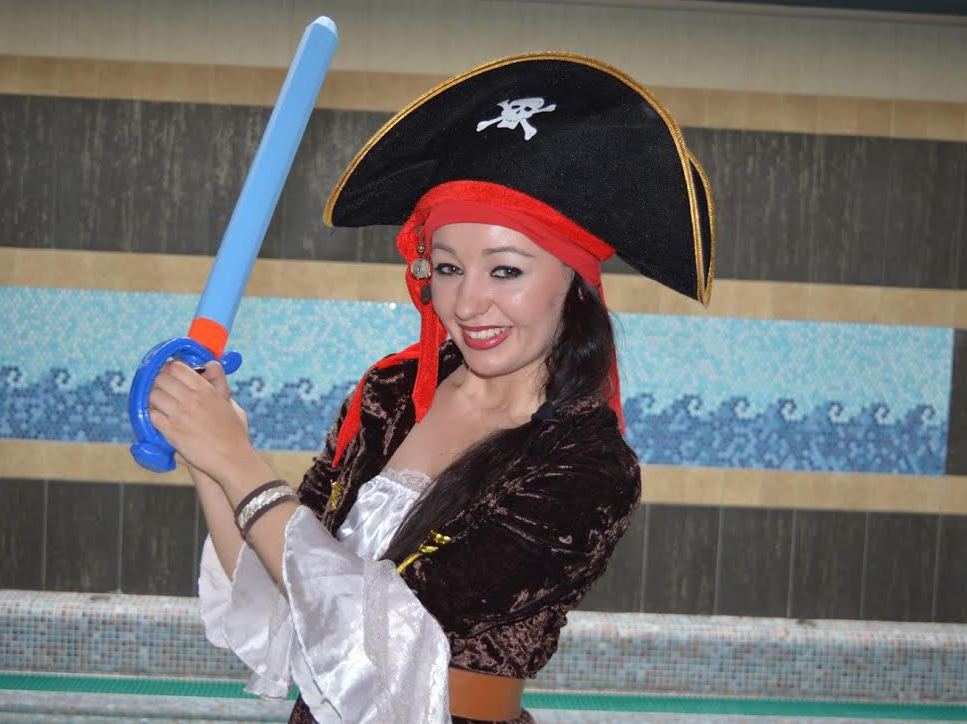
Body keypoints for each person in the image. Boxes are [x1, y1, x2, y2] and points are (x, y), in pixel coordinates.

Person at [148, 53, 715, 723]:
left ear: (574, 282)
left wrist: (240, 463)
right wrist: (210, 456)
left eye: (505, 271)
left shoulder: (589, 468)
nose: (468, 304)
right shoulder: (389, 395)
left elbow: (386, 632)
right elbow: (286, 591)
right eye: (447, 268)